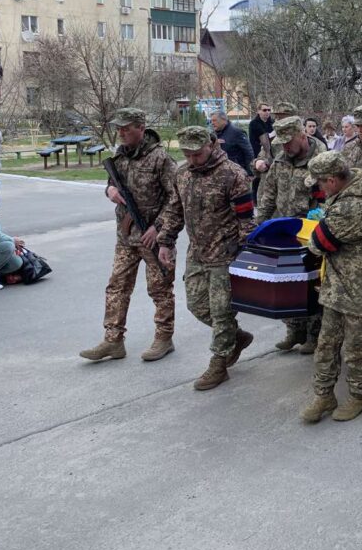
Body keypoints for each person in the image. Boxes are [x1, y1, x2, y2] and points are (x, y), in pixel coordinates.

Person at [80, 108, 183, 363]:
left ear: (141, 127)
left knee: (160, 289)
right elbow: (111, 183)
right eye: (119, 129)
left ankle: (164, 338)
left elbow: (176, 198)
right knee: (117, 287)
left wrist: (158, 227)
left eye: (126, 128)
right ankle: (113, 340)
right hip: (126, 237)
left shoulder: (160, 159)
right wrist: (110, 191)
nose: (121, 133)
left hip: (153, 238)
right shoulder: (120, 156)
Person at [158, 127, 256, 391]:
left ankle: (219, 364)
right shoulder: (182, 174)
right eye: (187, 155)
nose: (192, 160)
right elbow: (174, 210)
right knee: (197, 306)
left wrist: (246, 254)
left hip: (226, 255)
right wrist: (166, 241)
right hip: (197, 253)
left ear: (211, 145)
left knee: (222, 313)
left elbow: (246, 220)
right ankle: (237, 337)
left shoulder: (233, 175)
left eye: (197, 154)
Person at [299, 152, 362, 424]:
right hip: (339, 284)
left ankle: (360, 395)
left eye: (320, 183)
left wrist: (319, 229)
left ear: (332, 180)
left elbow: (319, 243)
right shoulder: (345, 193)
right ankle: (324, 395)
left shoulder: (355, 206)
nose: (319, 189)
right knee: (326, 345)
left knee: (357, 349)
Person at [256, 116, 328, 354]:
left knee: (313, 284)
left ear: (302, 135)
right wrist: (259, 226)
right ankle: (295, 330)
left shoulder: (321, 159)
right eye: (282, 143)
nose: (285, 147)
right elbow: (269, 195)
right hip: (284, 229)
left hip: (312, 232)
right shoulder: (280, 159)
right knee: (289, 282)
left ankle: (315, 334)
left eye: (289, 142)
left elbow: (329, 198)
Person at [248, 102, 274, 199]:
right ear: (258, 111)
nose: (267, 112)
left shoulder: (271, 122)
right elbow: (264, 137)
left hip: (270, 152)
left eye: (269, 110)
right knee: (258, 177)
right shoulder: (254, 123)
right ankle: (255, 199)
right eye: (264, 110)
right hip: (257, 153)